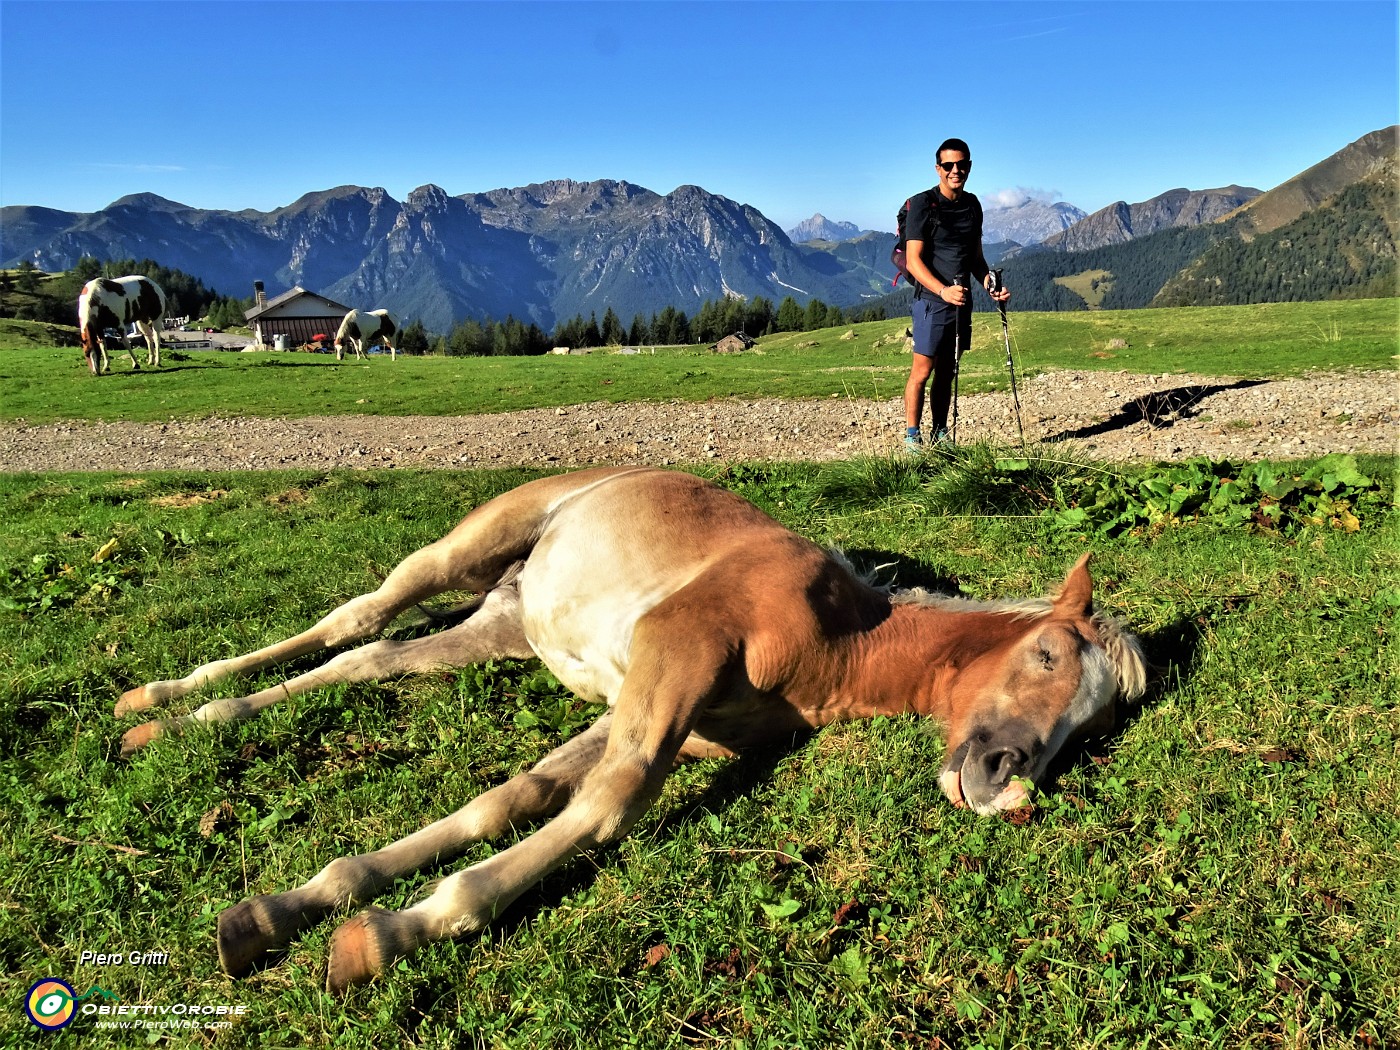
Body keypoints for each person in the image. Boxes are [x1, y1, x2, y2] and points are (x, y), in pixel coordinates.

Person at [901, 138, 1010, 450]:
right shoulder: (923, 204)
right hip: (932, 301)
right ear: (938, 169)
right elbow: (913, 260)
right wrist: (942, 290)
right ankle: (912, 437)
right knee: (922, 371)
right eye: (948, 165)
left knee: (948, 371)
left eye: (961, 164)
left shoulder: (973, 205)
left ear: (969, 166)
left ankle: (939, 434)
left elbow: (975, 259)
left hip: (962, 302)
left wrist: (991, 285)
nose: (955, 170)